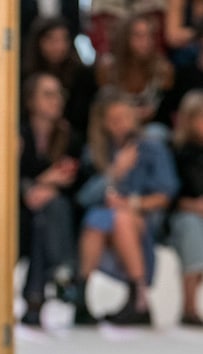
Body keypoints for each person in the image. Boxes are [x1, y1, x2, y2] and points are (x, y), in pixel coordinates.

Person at [74, 87, 179, 324]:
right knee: (96, 219)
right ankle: (81, 295)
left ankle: (139, 297)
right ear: (104, 123)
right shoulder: (96, 152)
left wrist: (130, 203)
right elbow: (84, 198)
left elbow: (165, 195)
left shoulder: (152, 148)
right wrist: (115, 171)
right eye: (114, 120)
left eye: (125, 118)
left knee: (120, 217)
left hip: (144, 220)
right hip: (104, 220)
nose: (121, 125)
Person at [19, 72, 82, 324]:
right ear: (31, 101)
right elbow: (7, 180)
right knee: (42, 218)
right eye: (48, 94)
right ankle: (63, 273)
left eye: (58, 94)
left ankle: (34, 297)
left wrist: (44, 188)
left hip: (55, 212)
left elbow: (74, 183)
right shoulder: (18, 134)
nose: (56, 100)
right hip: (18, 212)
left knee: (45, 217)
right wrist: (43, 183)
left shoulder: (69, 137)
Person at [96, 12, 174, 137]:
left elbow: (166, 113)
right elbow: (103, 107)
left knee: (156, 133)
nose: (145, 42)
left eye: (149, 36)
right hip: (115, 128)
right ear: (124, 38)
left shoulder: (163, 69)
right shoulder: (108, 69)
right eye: (138, 36)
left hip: (151, 128)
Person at [21, 15, 97, 136]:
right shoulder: (24, 74)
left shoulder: (83, 76)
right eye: (52, 40)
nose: (59, 46)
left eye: (63, 39)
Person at [169, 89, 203, 323]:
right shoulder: (176, 152)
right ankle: (188, 308)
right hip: (181, 215)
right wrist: (192, 205)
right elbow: (168, 195)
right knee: (192, 228)